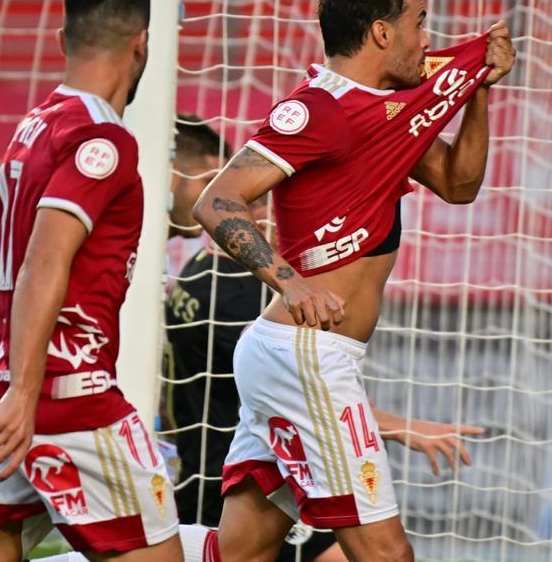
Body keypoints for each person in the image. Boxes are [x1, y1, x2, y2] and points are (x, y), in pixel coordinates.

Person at [192, 0, 515, 561]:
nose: (429, 38)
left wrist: (479, 92)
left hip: (295, 355)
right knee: (386, 555)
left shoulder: (388, 114)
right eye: (420, 21)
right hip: (307, 353)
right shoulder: (320, 109)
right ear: (381, 32)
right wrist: (290, 281)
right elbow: (217, 201)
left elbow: (459, 183)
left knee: (242, 554)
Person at [0, 0, 188, 562]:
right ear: (141, 43)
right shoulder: (103, 138)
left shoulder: (29, 129)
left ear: (61, 39)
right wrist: (28, 389)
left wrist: (9, 384)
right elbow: (44, 259)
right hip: (64, 394)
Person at [162, 119, 482, 562]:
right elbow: (299, 386)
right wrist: (399, 427)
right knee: (381, 554)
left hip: (225, 459)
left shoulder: (197, 273)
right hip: (239, 464)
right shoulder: (239, 293)